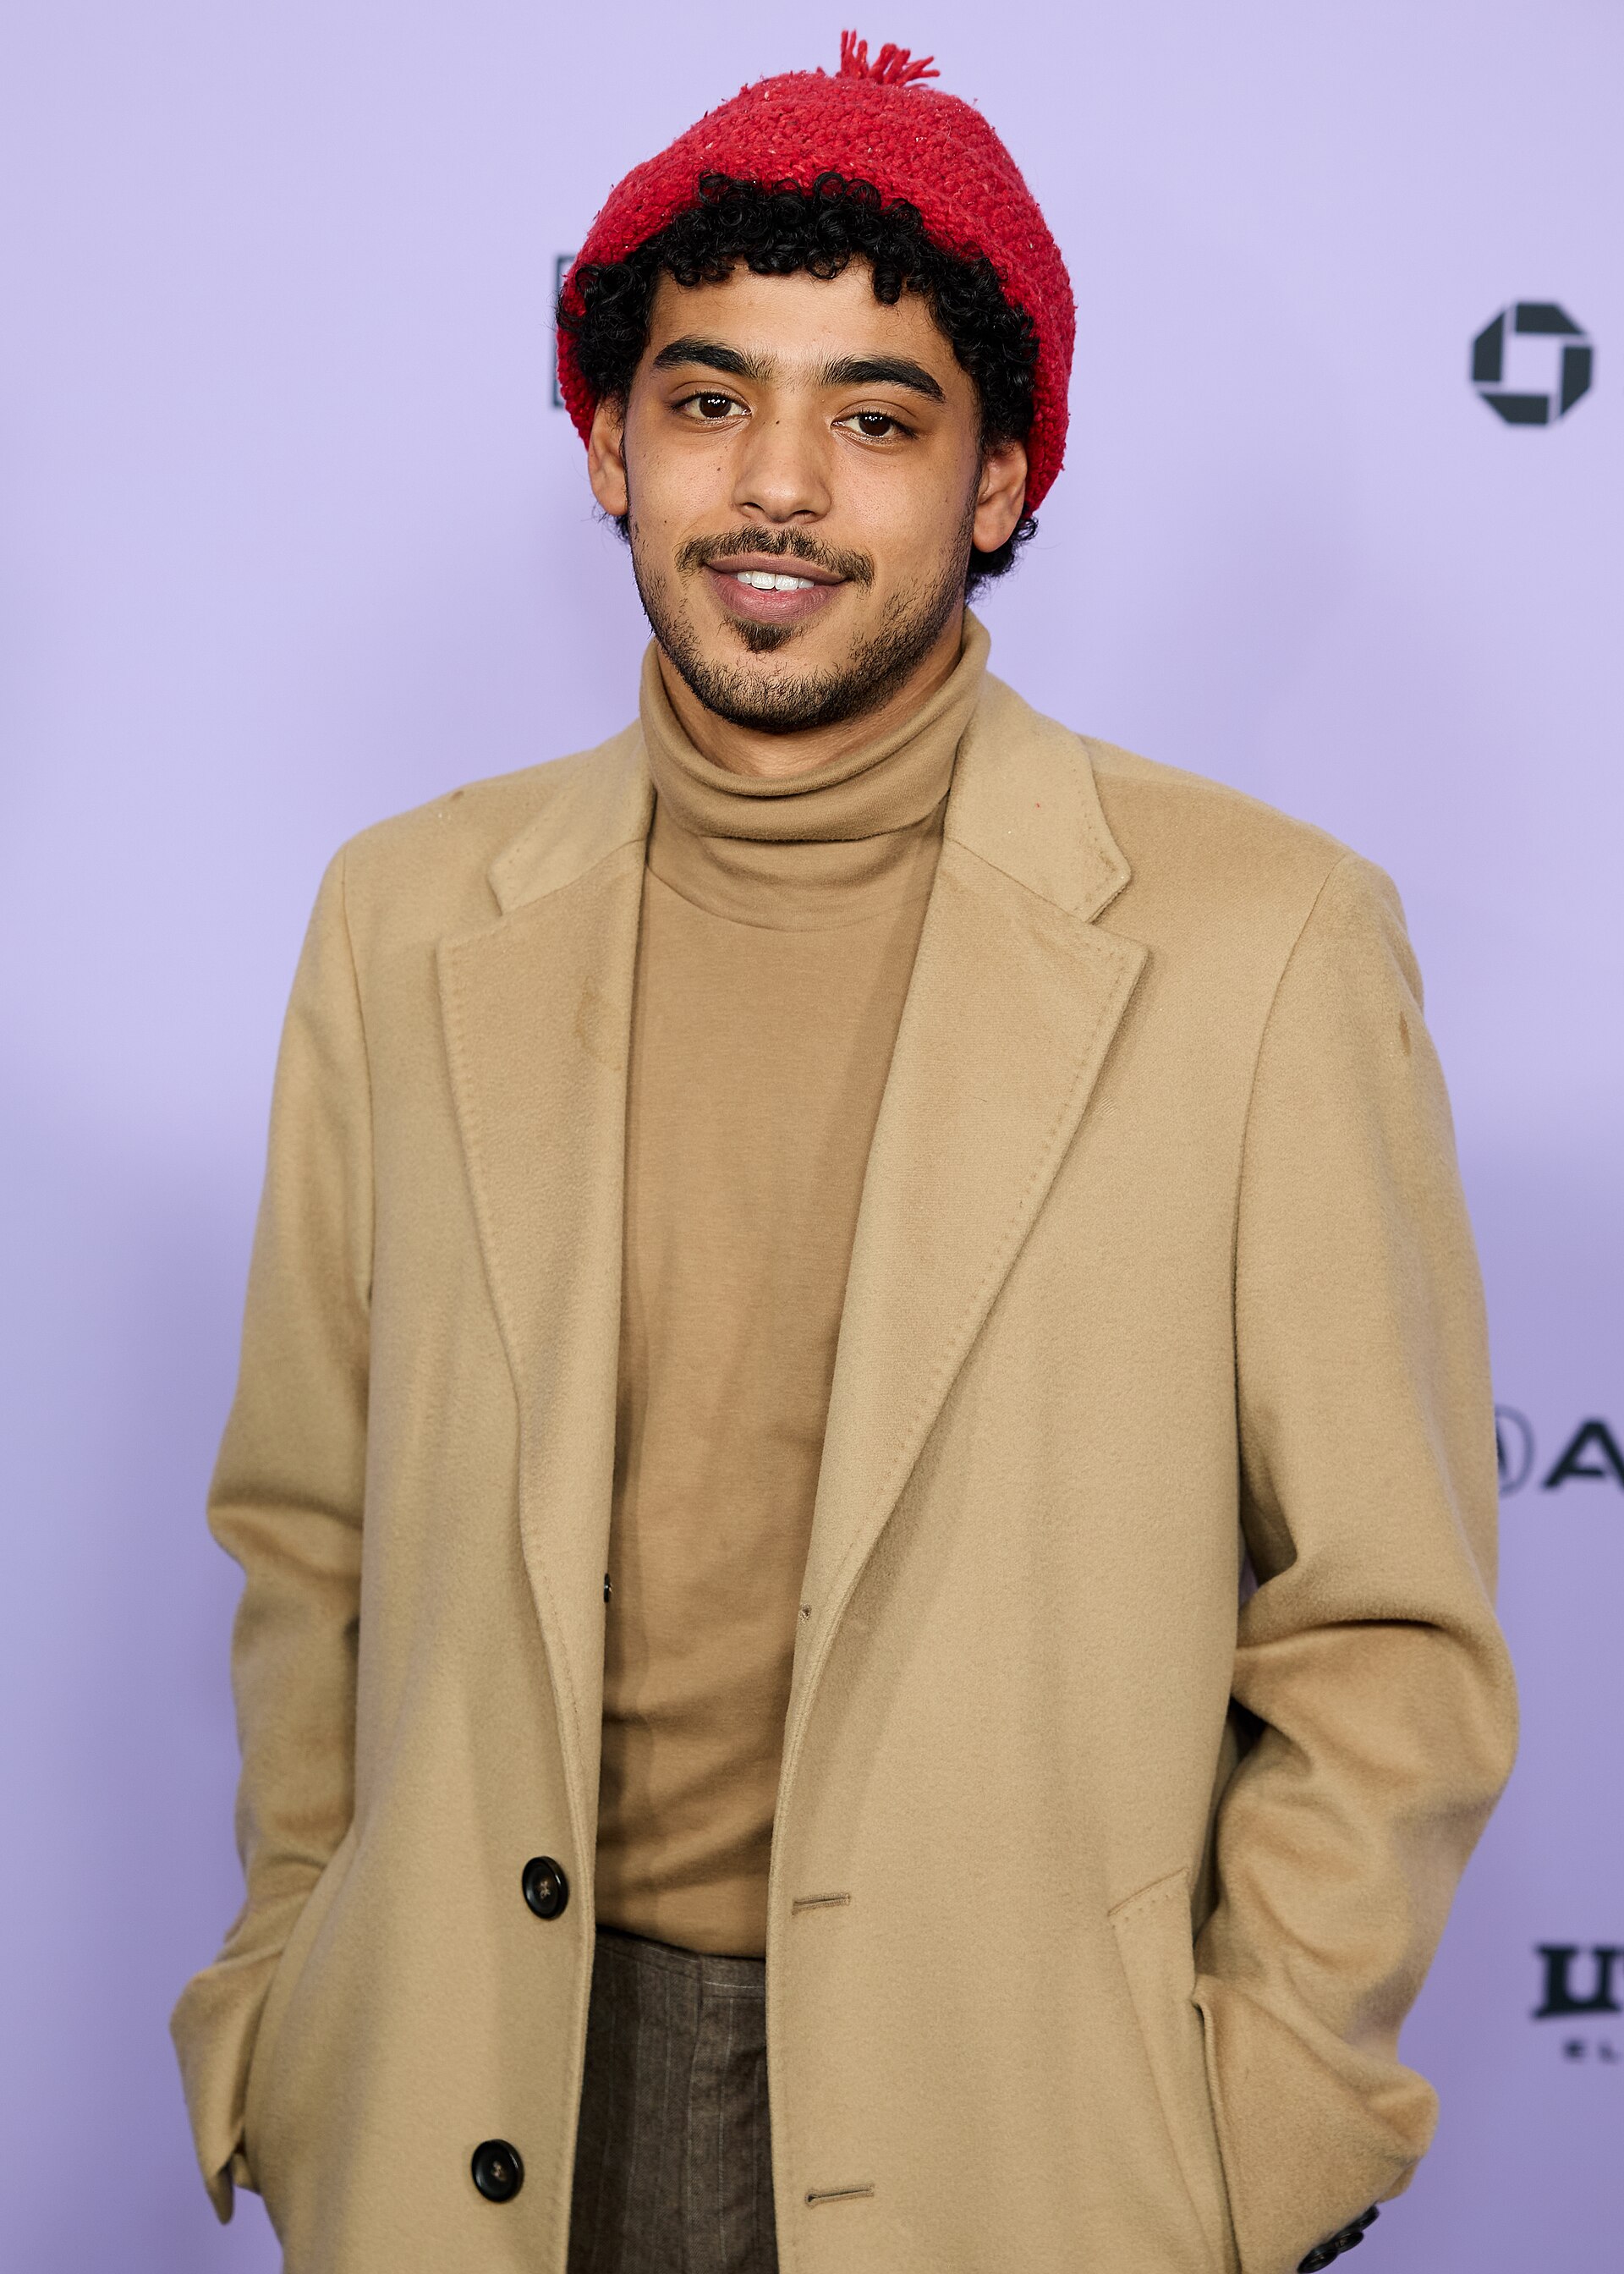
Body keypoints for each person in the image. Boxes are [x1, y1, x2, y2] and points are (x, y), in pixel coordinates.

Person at [172, 34, 1517, 2274]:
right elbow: (307, 1535)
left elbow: (1388, 1636)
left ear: (999, 482)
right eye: (709, 401)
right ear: (610, 441)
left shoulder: (1266, 942)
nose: (776, 483)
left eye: (876, 419)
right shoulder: (404, 915)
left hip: (1022, 2137)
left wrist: (1249, 2146)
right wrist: (290, 2013)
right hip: (474, 2101)